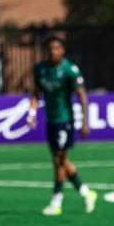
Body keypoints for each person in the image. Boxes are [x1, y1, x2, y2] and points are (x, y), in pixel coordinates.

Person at [28, 36, 98, 216]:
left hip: (64, 120)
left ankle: (56, 203)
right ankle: (86, 193)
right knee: (60, 160)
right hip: (50, 120)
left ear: (63, 50)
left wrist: (85, 122)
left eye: (57, 48)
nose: (54, 52)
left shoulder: (70, 70)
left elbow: (82, 95)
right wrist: (32, 113)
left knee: (59, 161)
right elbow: (36, 92)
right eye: (50, 48)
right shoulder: (40, 69)